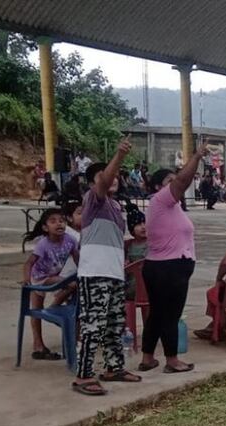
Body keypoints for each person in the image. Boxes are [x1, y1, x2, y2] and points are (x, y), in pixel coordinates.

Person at [72, 139, 139, 396]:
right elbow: (102, 183)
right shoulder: (93, 199)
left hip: (113, 272)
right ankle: (84, 375)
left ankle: (114, 367)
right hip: (95, 272)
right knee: (93, 325)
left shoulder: (116, 206)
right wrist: (119, 155)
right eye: (106, 175)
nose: (112, 178)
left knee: (114, 323)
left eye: (115, 175)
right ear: (93, 182)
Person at [137, 144, 208, 375]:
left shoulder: (170, 207)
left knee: (157, 313)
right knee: (170, 314)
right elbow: (182, 182)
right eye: (169, 181)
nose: (175, 184)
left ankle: (148, 357)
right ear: (159, 187)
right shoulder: (161, 200)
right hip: (169, 267)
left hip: (161, 265)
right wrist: (197, 156)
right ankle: (172, 359)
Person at [22, 208, 79, 360]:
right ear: (45, 227)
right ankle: (38, 343)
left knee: (73, 283)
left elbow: (77, 258)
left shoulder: (70, 240)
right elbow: (29, 263)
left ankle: (57, 307)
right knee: (36, 309)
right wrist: (26, 279)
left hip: (54, 274)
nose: (58, 224)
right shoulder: (43, 244)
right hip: (39, 277)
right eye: (53, 221)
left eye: (61, 220)